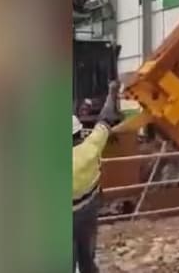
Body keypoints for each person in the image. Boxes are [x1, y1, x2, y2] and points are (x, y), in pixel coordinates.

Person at [73, 81, 121, 273]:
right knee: (87, 256)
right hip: (88, 210)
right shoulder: (91, 146)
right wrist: (112, 92)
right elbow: (106, 118)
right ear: (79, 133)